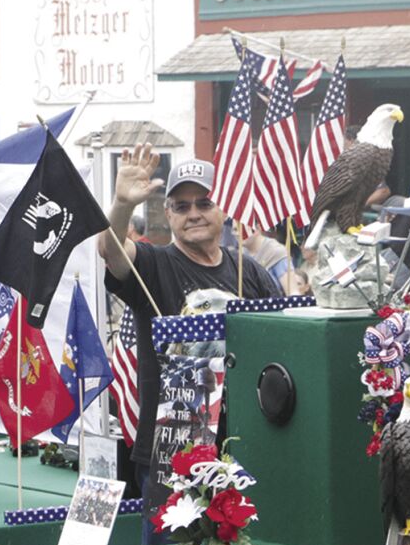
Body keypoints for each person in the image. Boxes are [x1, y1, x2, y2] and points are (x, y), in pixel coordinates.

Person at [98, 147, 281, 482]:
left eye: (204, 203)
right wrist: (123, 204)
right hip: (174, 450)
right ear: (168, 215)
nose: (193, 213)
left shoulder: (248, 269)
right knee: (175, 538)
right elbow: (111, 252)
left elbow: (284, 334)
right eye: (182, 207)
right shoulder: (155, 265)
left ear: (223, 209)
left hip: (247, 441)